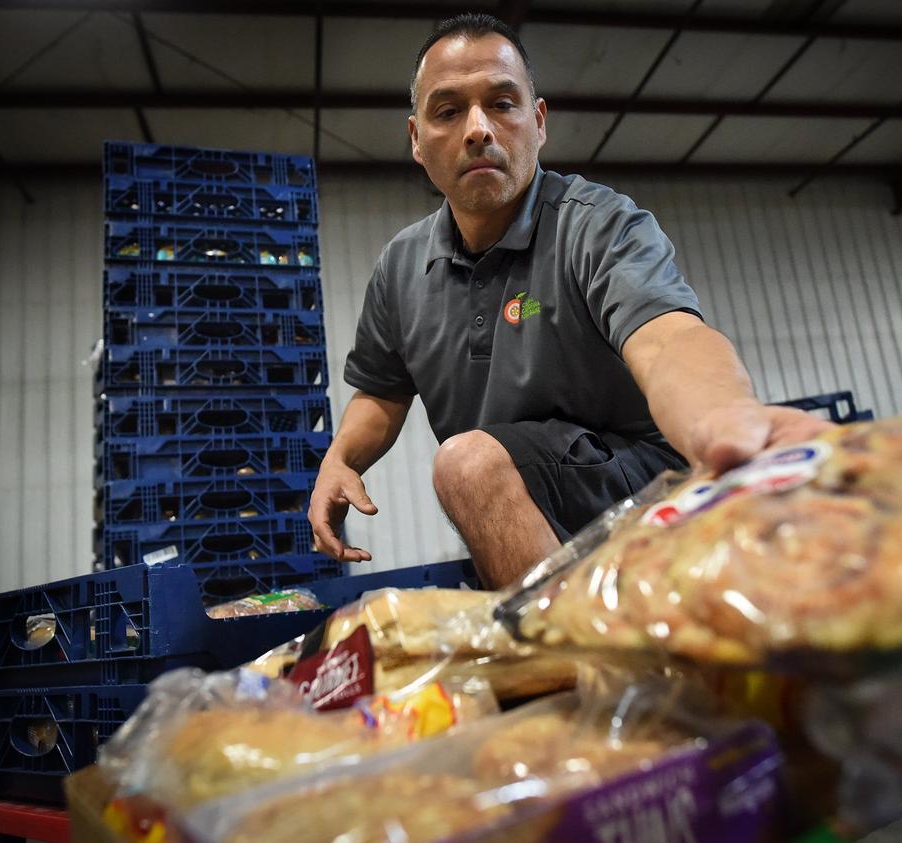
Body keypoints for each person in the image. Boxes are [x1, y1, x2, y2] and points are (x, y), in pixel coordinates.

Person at [308, 12, 830, 588]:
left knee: (468, 464)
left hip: (647, 488)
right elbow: (382, 391)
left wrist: (724, 420)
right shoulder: (401, 268)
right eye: (449, 110)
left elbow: (667, 339)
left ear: (538, 122)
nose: (478, 128)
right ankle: (563, 650)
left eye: (502, 104)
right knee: (474, 467)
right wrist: (341, 459)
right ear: (416, 139)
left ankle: (570, 656)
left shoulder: (598, 225)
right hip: (520, 490)